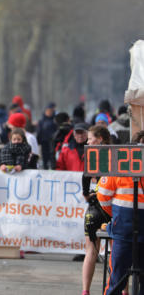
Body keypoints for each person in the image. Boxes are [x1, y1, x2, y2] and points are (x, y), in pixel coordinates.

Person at [97, 131, 144, 295]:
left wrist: (116, 217)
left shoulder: (118, 165)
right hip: (124, 230)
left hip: (122, 230)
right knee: (117, 279)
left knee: (117, 278)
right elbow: (103, 196)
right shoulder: (117, 166)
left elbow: (103, 197)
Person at [80, 126, 112, 295]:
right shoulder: (115, 154)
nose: (87, 141)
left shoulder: (93, 155)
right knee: (116, 252)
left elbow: (85, 176)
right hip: (111, 208)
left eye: (90, 138)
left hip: (95, 207)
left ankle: (86, 291)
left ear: (100, 139)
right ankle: (123, 290)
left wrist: (86, 193)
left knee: (91, 251)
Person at [36, 103, 57, 169]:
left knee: (52, 157)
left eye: (50, 111)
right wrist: (38, 140)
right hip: (44, 142)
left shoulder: (54, 120)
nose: (49, 113)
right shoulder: (41, 121)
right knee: (45, 158)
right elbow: (39, 131)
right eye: (48, 111)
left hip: (52, 142)